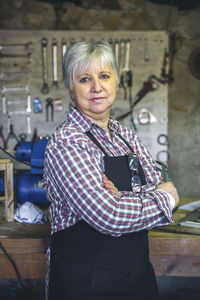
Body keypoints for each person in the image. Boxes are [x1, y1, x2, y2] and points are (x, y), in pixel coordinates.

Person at [43, 40, 179, 300]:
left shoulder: (125, 135)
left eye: (104, 75)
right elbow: (109, 215)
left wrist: (122, 198)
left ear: (116, 80)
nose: (97, 87)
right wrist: (166, 198)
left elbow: (155, 181)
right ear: (71, 87)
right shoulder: (68, 143)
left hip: (136, 280)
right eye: (84, 79)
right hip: (82, 285)